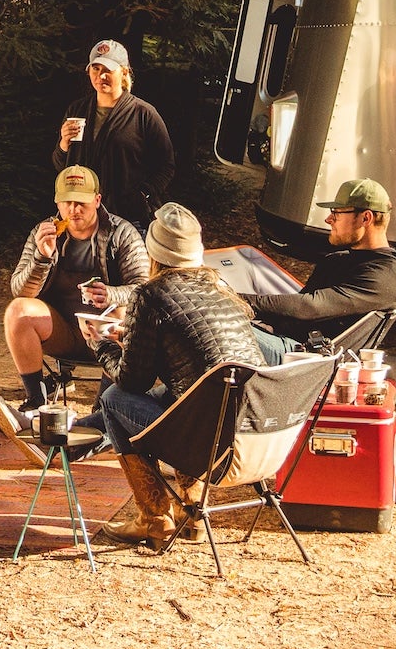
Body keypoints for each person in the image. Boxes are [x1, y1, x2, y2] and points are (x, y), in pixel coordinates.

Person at [83, 203, 267, 547]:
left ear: (153, 253)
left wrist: (101, 345)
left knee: (112, 401)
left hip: (210, 447)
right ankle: (192, 513)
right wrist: (133, 337)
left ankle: (154, 519)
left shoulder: (150, 295)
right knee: (172, 395)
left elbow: (131, 383)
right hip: (256, 437)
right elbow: (194, 349)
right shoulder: (222, 288)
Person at [1, 165, 149, 414]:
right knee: (18, 311)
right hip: (62, 330)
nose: (74, 210)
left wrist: (111, 294)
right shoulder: (45, 232)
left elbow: (144, 289)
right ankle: (37, 401)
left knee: (124, 312)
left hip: (108, 334)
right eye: (67, 202)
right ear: (57, 203)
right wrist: (41, 257)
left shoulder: (122, 233)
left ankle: (103, 408)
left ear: (97, 200)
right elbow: (20, 291)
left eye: (81, 202)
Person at [244, 179, 396, 349]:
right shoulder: (337, 260)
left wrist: (240, 301)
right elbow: (293, 312)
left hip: (306, 360)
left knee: (218, 329)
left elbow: (310, 306)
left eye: (336, 213)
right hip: (280, 339)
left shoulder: (388, 274)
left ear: (366, 218)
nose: (328, 220)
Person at [49, 40, 173, 230]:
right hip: (81, 218)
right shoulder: (77, 110)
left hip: (127, 219)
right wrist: (64, 144)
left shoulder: (143, 114)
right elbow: (60, 165)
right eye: (96, 69)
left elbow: (166, 166)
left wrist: (143, 195)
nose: (101, 76)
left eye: (108, 69)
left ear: (123, 71)